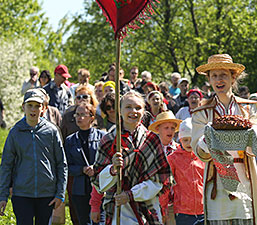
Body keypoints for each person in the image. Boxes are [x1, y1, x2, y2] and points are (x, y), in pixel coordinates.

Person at [191, 54, 257, 225]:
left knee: (246, 218)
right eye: (214, 75)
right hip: (216, 182)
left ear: (233, 77)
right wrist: (209, 137)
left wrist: (245, 136)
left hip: (245, 178)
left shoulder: (249, 108)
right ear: (209, 79)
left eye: (224, 75)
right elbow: (199, 150)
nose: (219, 80)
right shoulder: (201, 112)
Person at [92, 91, 172, 225]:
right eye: (128, 107)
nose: (133, 111)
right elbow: (98, 182)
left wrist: (131, 195)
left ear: (144, 111)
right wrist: (112, 170)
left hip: (147, 208)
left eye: (138, 108)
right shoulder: (109, 140)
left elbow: (159, 180)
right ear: (120, 110)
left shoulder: (152, 140)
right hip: (118, 210)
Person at [0, 89, 67, 225]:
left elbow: (61, 163)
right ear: (23, 107)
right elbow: (6, 165)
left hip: (46, 194)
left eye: (37, 106)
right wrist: (3, 195)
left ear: (43, 108)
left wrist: (60, 193)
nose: (33, 109)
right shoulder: (15, 132)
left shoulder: (52, 131)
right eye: (30, 105)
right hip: (22, 194)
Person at [64, 103, 106, 225]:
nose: (79, 118)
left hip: (100, 188)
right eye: (77, 114)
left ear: (92, 117)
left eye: (83, 114)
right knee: (83, 222)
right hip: (79, 189)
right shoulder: (70, 140)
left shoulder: (102, 137)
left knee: (101, 221)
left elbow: (107, 162)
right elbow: (66, 166)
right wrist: (82, 169)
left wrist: (95, 169)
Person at [161, 119, 204, 225]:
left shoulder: (203, 156)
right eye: (185, 140)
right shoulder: (173, 158)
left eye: (191, 139)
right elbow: (166, 184)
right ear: (179, 139)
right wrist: (163, 207)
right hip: (183, 211)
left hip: (204, 209)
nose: (189, 143)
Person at [148, 111, 181, 225]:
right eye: (166, 127)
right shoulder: (151, 149)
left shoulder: (179, 150)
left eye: (172, 128)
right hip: (155, 201)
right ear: (158, 129)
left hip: (174, 202)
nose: (170, 131)